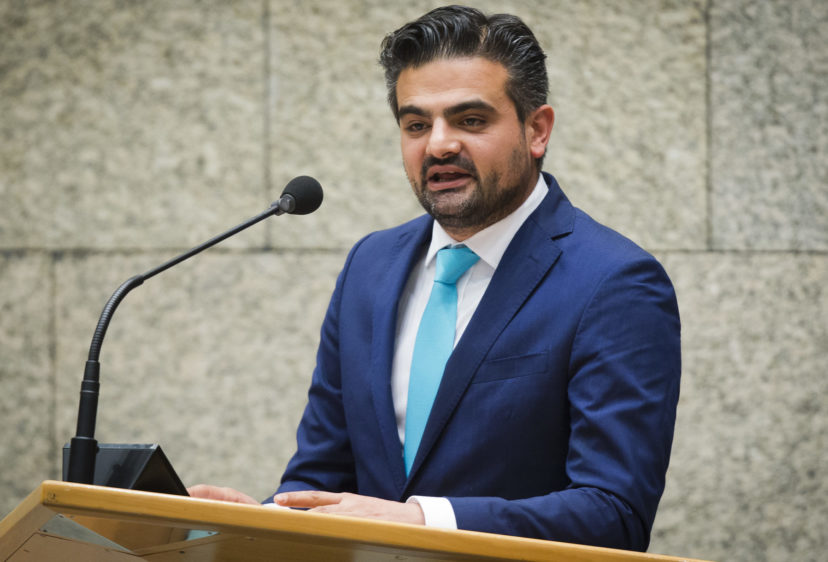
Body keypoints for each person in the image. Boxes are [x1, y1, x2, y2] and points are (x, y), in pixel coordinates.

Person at [189, 5, 681, 552]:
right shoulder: (370, 266)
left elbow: (614, 514)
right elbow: (323, 477)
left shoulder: (614, 283)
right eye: (416, 125)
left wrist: (423, 521)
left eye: (470, 120)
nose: (438, 145)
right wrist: (259, 522)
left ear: (536, 130)